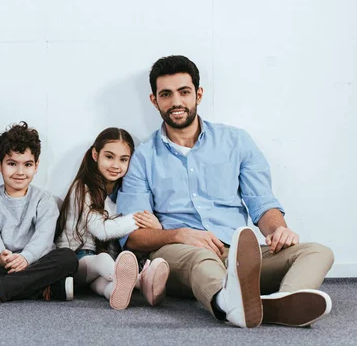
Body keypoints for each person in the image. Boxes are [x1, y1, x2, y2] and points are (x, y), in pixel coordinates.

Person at [118, 55, 334, 328]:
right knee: (201, 257)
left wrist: (278, 230)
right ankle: (226, 303)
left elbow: (262, 203)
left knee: (317, 251)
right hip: (179, 255)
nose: (176, 102)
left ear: (198, 94)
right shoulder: (143, 156)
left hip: (238, 255)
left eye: (184, 92)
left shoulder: (236, 141)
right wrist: (179, 234)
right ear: (154, 100)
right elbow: (132, 237)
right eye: (166, 94)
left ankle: (283, 302)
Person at [0, 122, 78, 304]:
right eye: (12, 163)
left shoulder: (44, 200)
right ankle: (43, 289)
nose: (20, 172)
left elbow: (43, 237)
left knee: (68, 258)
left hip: (36, 262)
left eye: (27, 164)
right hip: (4, 266)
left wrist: (26, 258)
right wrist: (1, 257)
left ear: (36, 166)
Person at [55, 128, 169, 309]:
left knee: (104, 286)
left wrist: (156, 225)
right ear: (95, 154)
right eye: (109, 157)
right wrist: (141, 219)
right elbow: (102, 231)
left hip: (101, 272)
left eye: (123, 159)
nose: (116, 165)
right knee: (102, 261)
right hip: (76, 260)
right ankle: (142, 281)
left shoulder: (123, 194)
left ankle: (116, 293)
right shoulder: (82, 188)